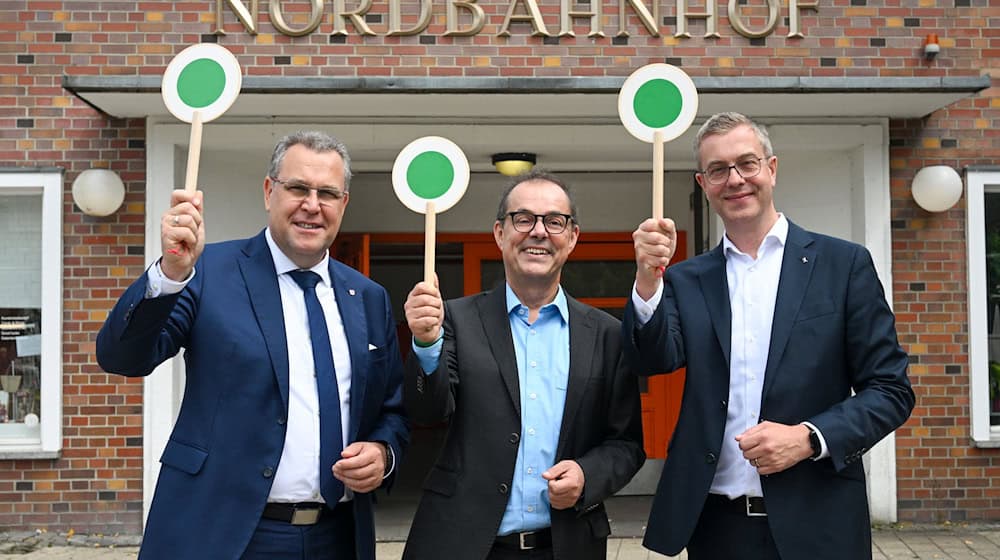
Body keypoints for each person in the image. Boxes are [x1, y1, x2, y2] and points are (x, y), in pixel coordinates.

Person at [96, 131, 409, 560]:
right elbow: (123, 357)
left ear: (343, 204)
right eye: (298, 188)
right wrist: (170, 272)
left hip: (337, 539)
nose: (312, 205)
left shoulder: (368, 297)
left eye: (327, 193)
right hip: (225, 534)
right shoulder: (206, 272)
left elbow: (391, 409)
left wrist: (382, 452)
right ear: (269, 191)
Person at [624, 112, 915, 560]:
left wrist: (809, 437)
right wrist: (647, 282)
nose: (735, 179)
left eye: (747, 163)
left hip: (819, 522)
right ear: (704, 184)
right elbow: (653, 359)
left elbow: (891, 390)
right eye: (718, 170)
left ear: (772, 168)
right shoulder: (686, 279)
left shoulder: (843, 265)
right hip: (716, 525)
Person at [401, 169, 645, 560]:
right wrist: (426, 344)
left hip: (566, 545)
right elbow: (426, 411)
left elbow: (627, 444)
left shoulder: (607, 335)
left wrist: (587, 476)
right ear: (500, 233)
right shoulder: (455, 321)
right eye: (523, 219)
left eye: (554, 221)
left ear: (572, 237)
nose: (538, 232)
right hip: (463, 543)